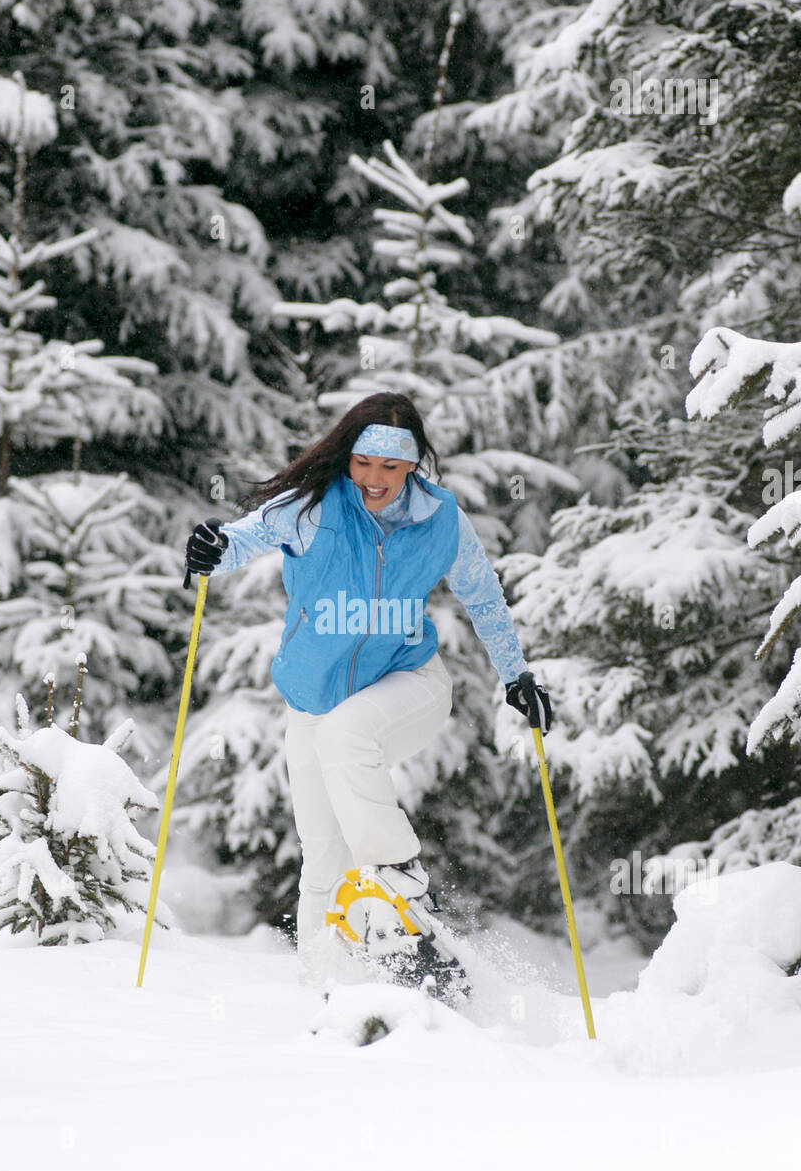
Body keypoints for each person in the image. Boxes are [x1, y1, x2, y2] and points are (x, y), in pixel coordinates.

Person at [185, 391, 551, 976]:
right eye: (363, 463)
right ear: (348, 456)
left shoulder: (440, 519)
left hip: (408, 683)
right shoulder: (312, 508)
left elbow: (483, 596)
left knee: (347, 737)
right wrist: (215, 547)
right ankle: (328, 987)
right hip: (312, 701)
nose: (374, 479)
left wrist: (517, 675)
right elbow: (243, 539)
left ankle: (399, 878)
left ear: (413, 464)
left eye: (390, 466)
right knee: (323, 861)